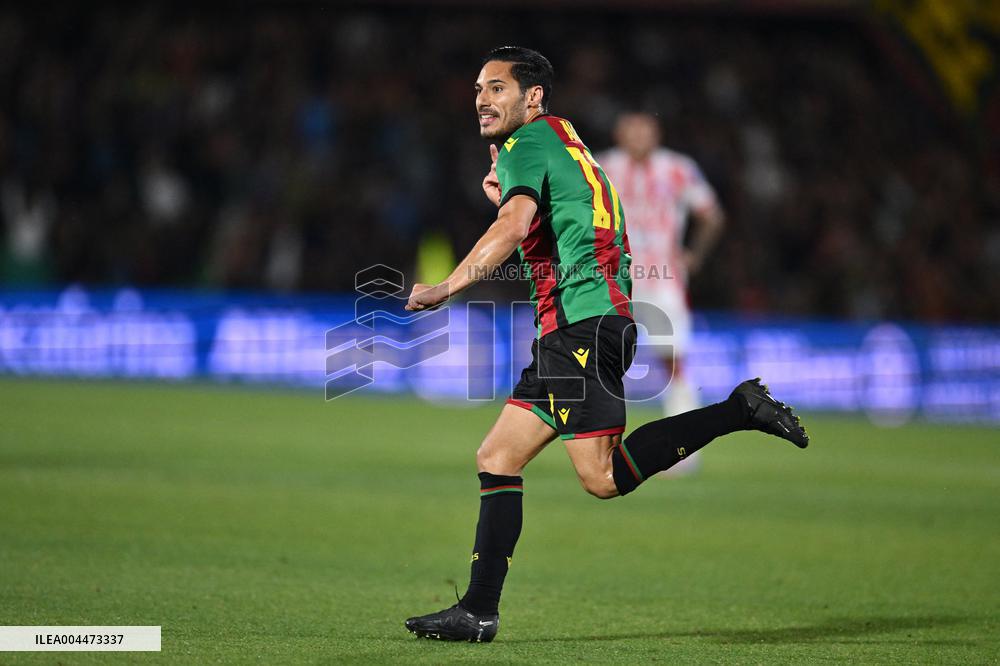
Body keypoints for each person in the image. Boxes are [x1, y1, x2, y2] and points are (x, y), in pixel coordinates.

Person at [402, 46, 808, 643]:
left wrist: (447, 286)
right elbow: (552, 220)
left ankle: (738, 409)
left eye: (496, 88)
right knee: (498, 457)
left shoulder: (529, 142)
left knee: (603, 477)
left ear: (532, 96)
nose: (482, 100)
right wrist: (511, 200)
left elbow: (513, 229)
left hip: (581, 327)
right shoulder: (566, 140)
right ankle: (478, 612)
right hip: (582, 326)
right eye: (479, 89)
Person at [597, 113, 726, 475]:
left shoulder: (677, 168)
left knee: (675, 364)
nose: (638, 137)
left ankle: (685, 450)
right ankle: (602, 448)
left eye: (645, 130)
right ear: (619, 134)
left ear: (657, 134)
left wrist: (695, 256)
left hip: (664, 280)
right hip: (615, 280)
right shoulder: (602, 167)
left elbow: (712, 215)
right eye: (631, 130)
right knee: (604, 360)